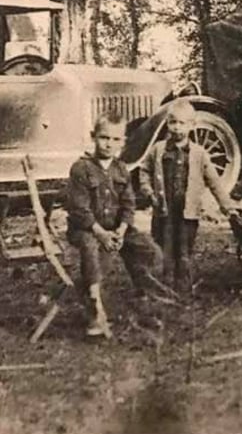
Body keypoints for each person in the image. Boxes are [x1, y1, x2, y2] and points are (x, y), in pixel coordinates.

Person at [65, 114, 162, 338]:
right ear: (93, 137)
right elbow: (80, 210)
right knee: (91, 252)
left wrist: (121, 230)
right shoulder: (81, 168)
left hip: (115, 229)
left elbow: (129, 204)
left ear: (123, 142)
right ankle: (94, 310)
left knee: (148, 249)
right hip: (86, 229)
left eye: (116, 139)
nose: (109, 144)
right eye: (104, 137)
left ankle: (145, 296)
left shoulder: (121, 169)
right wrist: (101, 234)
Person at [138, 99, 237, 295]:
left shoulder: (199, 154)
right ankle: (165, 284)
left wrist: (227, 206)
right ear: (167, 124)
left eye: (182, 123)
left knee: (183, 249)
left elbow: (214, 182)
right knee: (164, 247)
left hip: (187, 213)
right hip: (163, 210)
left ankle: (183, 287)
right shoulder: (158, 149)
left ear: (192, 125)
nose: (177, 128)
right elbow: (144, 170)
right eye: (173, 122)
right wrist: (147, 190)